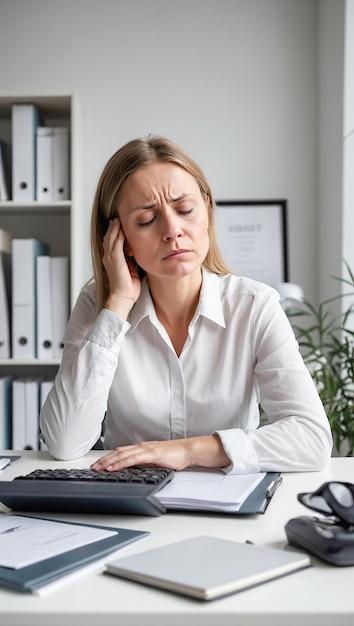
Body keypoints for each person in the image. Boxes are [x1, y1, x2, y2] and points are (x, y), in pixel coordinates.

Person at [40, 135, 332, 474]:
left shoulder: (256, 307)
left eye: (184, 210)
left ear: (206, 210)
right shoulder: (98, 305)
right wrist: (118, 304)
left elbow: (311, 439)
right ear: (119, 239)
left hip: (228, 505)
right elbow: (63, 443)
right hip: (126, 503)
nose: (172, 230)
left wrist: (190, 451)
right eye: (147, 220)